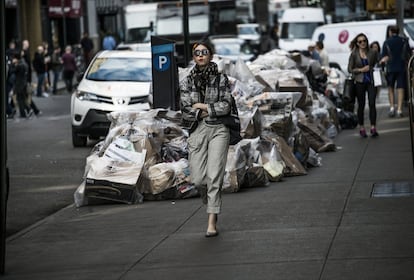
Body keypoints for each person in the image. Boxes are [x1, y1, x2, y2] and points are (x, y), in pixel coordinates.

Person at [180, 42, 233, 237]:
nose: (200, 55)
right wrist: (209, 109)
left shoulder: (221, 78)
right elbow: (185, 108)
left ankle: (212, 220)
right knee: (198, 179)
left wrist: (202, 106)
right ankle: (212, 203)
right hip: (197, 130)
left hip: (219, 129)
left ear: (210, 55)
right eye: (197, 53)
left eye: (204, 52)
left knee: (214, 176)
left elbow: (226, 106)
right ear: (193, 57)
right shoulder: (187, 81)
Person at [348, 33, 379, 138]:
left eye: (364, 41)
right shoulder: (354, 54)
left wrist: (382, 62)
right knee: (361, 105)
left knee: (372, 103)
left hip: (371, 81)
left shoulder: (372, 52)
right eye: (360, 41)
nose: (363, 43)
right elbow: (350, 69)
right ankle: (361, 127)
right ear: (357, 43)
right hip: (359, 82)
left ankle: (373, 127)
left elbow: (377, 62)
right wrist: (361, 70)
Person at [380, 25, 411, 118]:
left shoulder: (386, 42)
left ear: (390, 31)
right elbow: (408, 54)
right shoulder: (404, 41)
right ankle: (399, 109)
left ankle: (392, 107)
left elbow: (384, 56)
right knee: (400, 88)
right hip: (401, 68)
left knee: (390, 88)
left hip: (390, 68)